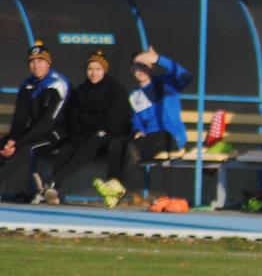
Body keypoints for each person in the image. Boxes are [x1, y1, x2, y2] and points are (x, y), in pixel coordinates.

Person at [39, 51, 132, 203]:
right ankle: (53, 191)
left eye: (98, 69)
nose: (93, 73)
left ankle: (52, 181)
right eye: (90, 69)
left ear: (104, 70)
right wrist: (89, 122)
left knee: (90, 145)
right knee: (67, 149)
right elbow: (74, 118)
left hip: (109, 137)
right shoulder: (81, 91)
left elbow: (115, 120)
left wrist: (88, 119)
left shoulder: (116, 90)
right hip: (84, 135)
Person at [107, 47, 192, 207]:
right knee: (116, 145)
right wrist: (139, 130)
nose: (141, 69)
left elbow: (186, 76)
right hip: (149, 138)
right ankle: (112, 186)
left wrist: (159, 59)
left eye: (144, 65)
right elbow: (137, 120)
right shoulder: (135, 96)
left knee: (133, 148)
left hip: (170, 136)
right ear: (132, 69)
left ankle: (117, 189)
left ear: (151, 67)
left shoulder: (166, 84)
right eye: (137, 65)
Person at [0, 41, 70, 201]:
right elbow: (20, 119)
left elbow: (48, 122)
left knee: (25, 149)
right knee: (3, 146)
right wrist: (12, 140)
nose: (36, 65)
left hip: (56, 133)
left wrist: (18, 143)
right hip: (33, 132)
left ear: (48, 63)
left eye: (40, 61)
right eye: (32, 61)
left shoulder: (58, 83)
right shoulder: (27, 85)